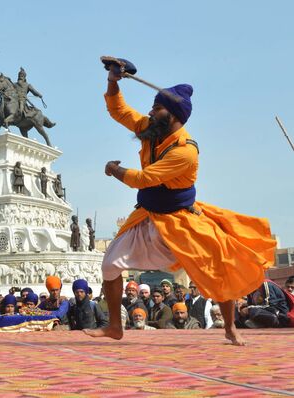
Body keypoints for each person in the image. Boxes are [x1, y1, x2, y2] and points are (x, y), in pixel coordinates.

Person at [84, 65, 275, 346]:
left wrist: (114, 170)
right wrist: (113, 80)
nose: (149, 113)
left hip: (182, 220)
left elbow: (145, 178)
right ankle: (115, 326)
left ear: (172, 115)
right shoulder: (151, 129)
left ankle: (230, 327)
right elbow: (119, 110)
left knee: (217, 270)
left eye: (155, 108)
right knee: (111, 264)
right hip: (146, 214)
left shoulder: (185, 151)